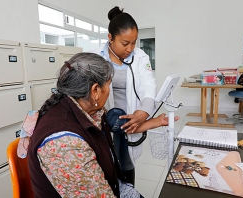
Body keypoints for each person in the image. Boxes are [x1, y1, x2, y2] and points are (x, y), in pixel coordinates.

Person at [25, 52, 172, 198]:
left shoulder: (87, 109)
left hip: (114, 186)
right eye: (109, 85)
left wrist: (156, 122)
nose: (109, 90)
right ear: (95, 90)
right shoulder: (65, 143)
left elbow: (119, 126)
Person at [93, 6, 157, 185]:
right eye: (125, 43)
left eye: (134, 42)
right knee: (104, 163)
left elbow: (148, 85)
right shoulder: (97, 58)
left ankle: (129, 190)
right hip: (104, 119)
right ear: (110, 38)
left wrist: (144, 111)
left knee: (126, 162)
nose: (130, 48)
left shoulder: (140, 57)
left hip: (129, 118)